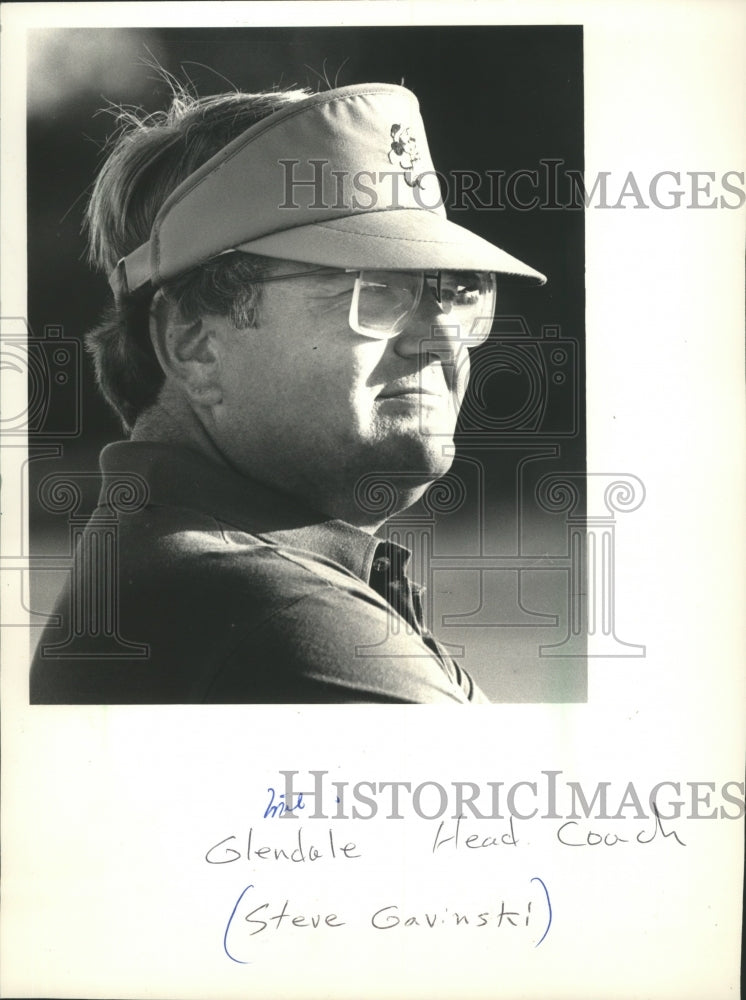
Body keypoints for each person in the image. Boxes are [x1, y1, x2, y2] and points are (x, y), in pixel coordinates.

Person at [30, 81, 545, 704]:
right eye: (377, 288)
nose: (441, 338)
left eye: (460, 291)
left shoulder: (170, 570)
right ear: (194, 341)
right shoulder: (286, 620)